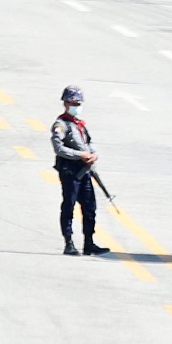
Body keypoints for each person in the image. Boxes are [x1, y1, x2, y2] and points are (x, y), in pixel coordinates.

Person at [50, 85, 109, 257]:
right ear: (66, 103)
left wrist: (93, 154)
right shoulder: (61, 124)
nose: (77, 105)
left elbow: (89, 142)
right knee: (69, 206)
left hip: (85, 171)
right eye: (74, 102)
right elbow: (58, 148)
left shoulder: (79, 124)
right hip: (70, 171)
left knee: (90, 207)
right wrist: (79, 155)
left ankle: (89, 243)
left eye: (79, 102)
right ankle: (68, 243)